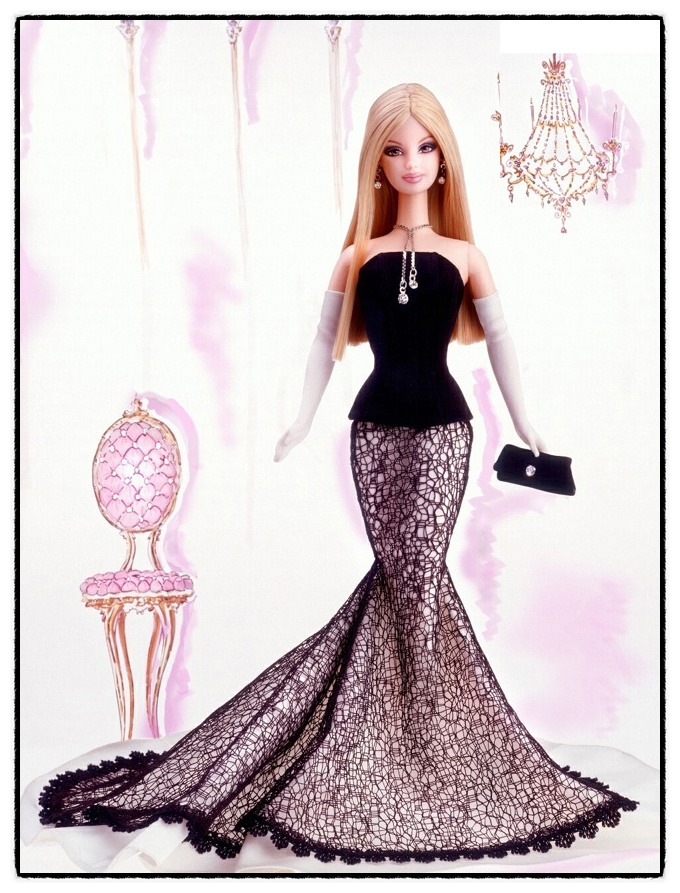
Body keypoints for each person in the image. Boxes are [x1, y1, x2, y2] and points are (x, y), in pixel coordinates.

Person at [33, 84, 636, 867]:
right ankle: (412, 740)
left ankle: (409, 738)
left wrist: (529, 426)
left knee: (415, 578)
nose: (412, 161)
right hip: (374, 433)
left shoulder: (467, 257)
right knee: (404, 579)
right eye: (396, 148)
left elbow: (502, 344)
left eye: (425, 146)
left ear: (444, 159)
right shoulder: (358, 256)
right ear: (378, 163)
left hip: (446, 434)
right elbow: (323, 343)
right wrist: (298, 419)